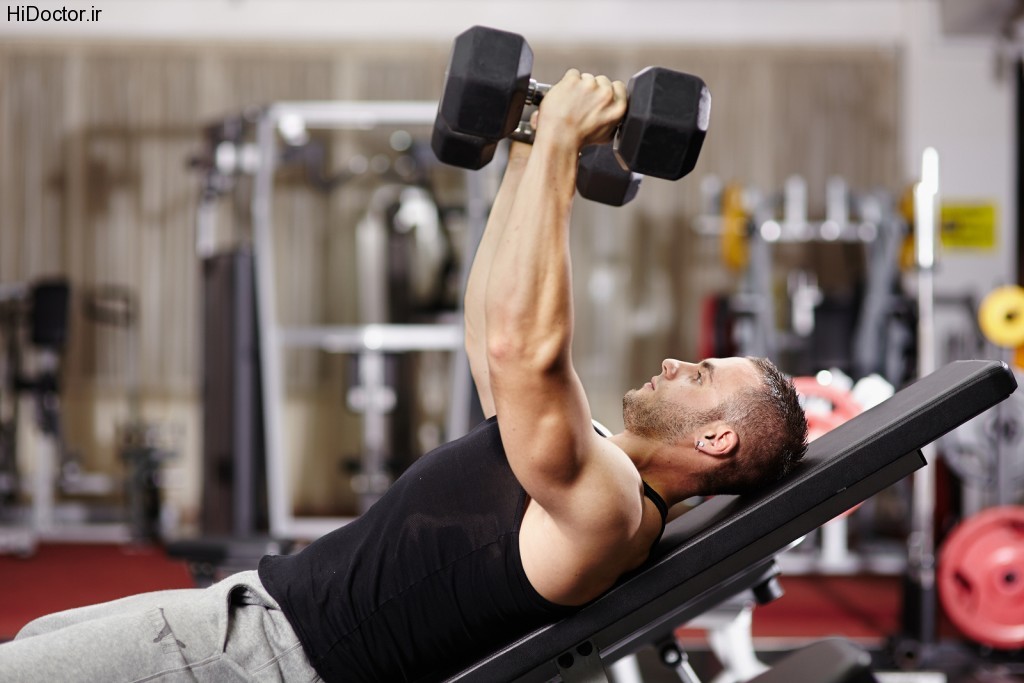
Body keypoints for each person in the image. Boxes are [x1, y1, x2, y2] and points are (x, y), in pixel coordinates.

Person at [0, 70, 807, 682]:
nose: (675, 361)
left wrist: (563, 148)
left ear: (716, 436)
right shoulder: (588, 461)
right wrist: (528, 150)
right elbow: (492, 325)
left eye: (700, 374)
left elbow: (523, 352)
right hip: (242, 618)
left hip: (256, 660)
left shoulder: (607, 509)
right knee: (31, 646)